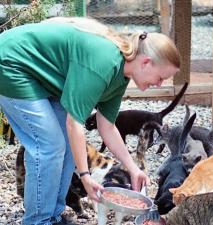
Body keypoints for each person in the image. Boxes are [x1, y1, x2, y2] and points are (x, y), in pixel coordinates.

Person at [0, 17, 180, 225]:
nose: (159, 85)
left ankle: (53, 216)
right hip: (12, 64)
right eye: (160, 78)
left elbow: (107, 126)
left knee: (66, 145)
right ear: (146, 62)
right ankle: (37, 221)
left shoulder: (120, 76)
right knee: (49, 146)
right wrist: (85, 176)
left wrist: (133, 168)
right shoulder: (103, 63)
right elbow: (74, 124)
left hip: (42, 78)